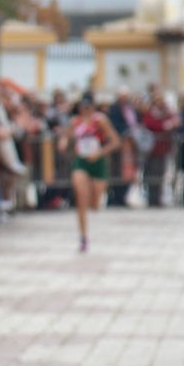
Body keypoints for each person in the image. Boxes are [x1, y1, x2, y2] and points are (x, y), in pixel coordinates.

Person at [59, 95, 119, 252]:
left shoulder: (100, 121)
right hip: (81, 161)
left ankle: (92, 206)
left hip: (98, 162)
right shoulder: (75, 122)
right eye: (83, 106)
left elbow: (115, 141)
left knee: (94, 204)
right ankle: (83, 237)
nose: (85, 110)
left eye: (88, 106)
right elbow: (66, 136)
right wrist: (64, 142)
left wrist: (100, 152)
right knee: (81, 198)